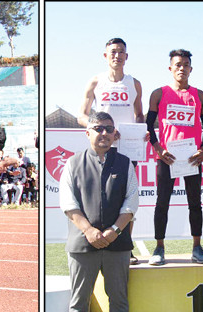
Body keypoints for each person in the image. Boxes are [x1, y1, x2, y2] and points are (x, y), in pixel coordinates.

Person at [60, 111, 138, 312]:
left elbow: (131, 202)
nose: (104, 133)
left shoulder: (125, 163)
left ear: (115, 134)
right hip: (82, 245)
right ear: (87, 133)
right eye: (98, 129)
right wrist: (88, 230)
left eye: (109, 129)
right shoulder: (73, 163)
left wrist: (115, 230)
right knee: (79, 304)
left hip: (117, 245)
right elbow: (68, 203)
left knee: (120, 302)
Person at [78, 37, 145, 265]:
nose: (117, 55)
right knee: (100, 198)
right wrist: (103, 130)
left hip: (127, 151)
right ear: (105, 56)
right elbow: (81, 115)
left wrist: (140, 131)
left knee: (128, 198)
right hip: (101, 150)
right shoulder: (96, 82)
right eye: (113, 52)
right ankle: (97, 241)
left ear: (127, 56)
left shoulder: (134, 83)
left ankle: (126, 247)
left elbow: (139, 115)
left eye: (121, 52)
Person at [145, 49, 203, 265]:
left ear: (191, 69)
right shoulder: (159, 93)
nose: (181, 68)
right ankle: (159, 248)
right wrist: (158, 148)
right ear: (170, 68)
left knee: (195, 203)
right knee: (162, 202)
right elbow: (149, 125)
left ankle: (197, 247)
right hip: (167, 158)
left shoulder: (200, 95)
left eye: (185, 65)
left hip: (192, 158)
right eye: (177, 65)